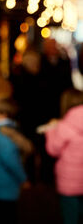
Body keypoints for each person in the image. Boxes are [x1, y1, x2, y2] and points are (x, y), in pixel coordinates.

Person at [0, 98, 33, 224]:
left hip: (2, 185)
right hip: (0, 183)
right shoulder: (0, 130)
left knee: (4, 216)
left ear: (3, 114)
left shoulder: (0, 135)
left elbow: (11, 161)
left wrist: (23, 179)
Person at [44, 88, 83, 224]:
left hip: (69, 182)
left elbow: (53, 150)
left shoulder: (64, 126)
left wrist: (51, 131)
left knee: (70, 216)